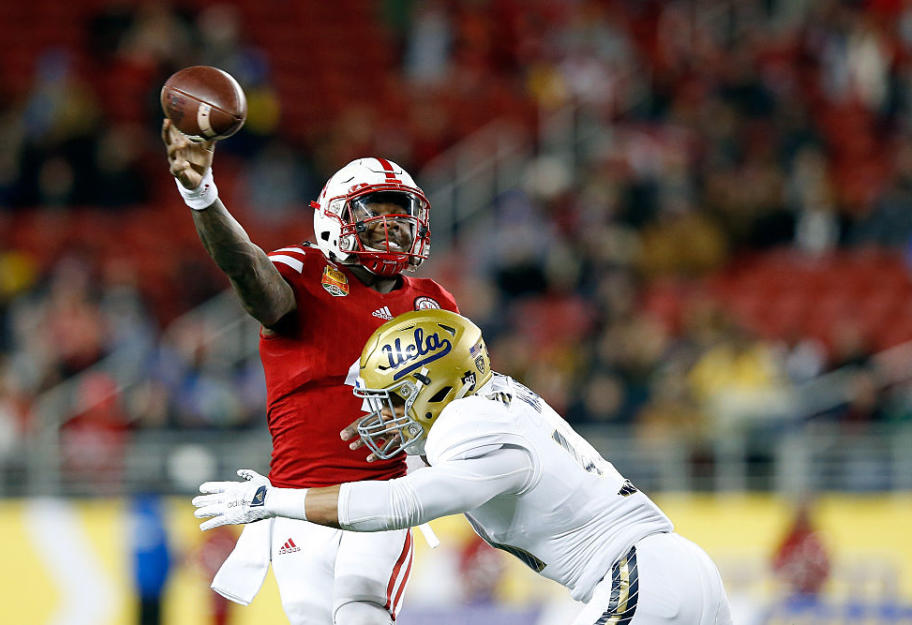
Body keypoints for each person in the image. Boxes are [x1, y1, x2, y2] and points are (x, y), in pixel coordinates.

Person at [193, 310, 734, 625]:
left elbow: (399, 505)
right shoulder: (492, 403)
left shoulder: (465, 423)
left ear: (435, 385)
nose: (385, 415)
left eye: (395, 398)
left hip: (638, 576)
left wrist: (274, 502)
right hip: (676, 570)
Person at [162, 120, 459, 625]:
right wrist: (201, 195)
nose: (392, 226)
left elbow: (463, 405)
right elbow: (246, 269)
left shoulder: (434, 302)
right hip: (296, 499)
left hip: (382, 494)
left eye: (400, 214)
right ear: (334, 219)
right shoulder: (302, 272)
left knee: (361, 609)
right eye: (374, 214)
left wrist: (422, 438)